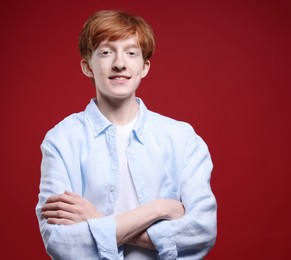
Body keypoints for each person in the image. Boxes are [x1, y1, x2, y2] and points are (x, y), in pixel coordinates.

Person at [35, 10, 217, 260]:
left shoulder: (182, 138)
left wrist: (96, 222)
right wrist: (159, 209)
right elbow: (61, 243)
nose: (120, 63)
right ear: (88, 66)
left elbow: (202, 232)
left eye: (131, 53)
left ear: (144, 67)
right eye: (107, 52)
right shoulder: (61, 140)